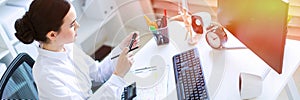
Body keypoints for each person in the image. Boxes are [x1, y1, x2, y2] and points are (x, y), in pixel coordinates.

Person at [14, 0, 139, 99]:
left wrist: (121, 49)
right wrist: (118, 76)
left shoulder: (67, 46)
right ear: (52, 35)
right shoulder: (47, 75)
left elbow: (98, 73)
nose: (78, 26)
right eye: (72, 24)